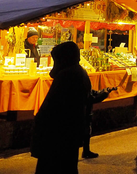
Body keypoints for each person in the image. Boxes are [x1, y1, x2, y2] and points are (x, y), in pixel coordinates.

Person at [31, 41, 91, 174]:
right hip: (70, 132)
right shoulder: (77, 72)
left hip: (58, 134)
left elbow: (52, 107)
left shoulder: (67, 75)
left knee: (54, 167)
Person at [82, 86, 117, 159]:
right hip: (83, 112)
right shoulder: (80, 82)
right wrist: (105, 94)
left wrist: (105, 90)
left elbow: (93, 92)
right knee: (85, 132)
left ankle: (86, 151)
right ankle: (85, 151)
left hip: (83, 112)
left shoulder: (78, 81)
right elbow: (91, 98)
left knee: (86, 131)